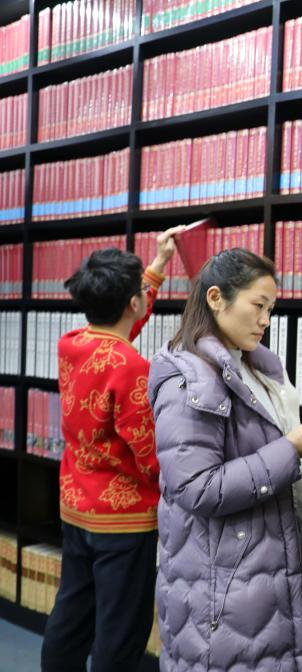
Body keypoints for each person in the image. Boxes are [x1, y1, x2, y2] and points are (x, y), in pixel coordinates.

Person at [147, 248, 302, 671]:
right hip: (221, 585)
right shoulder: (188, 380)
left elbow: (270, 448)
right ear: (216, 298)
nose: (266, 320)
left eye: (271, 309)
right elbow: (198, 488)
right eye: (258, 306)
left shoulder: (255, 367)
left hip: (260, 569)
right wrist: (291, 449)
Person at [42, 225, 186, 672]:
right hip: (123, 520)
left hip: (76, 504)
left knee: (72, 613)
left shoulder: (72, 344)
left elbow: (120, 330)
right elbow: (149, 454)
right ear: (132, 303)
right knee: (120, 629)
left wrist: (157, 266)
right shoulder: (133, 367)